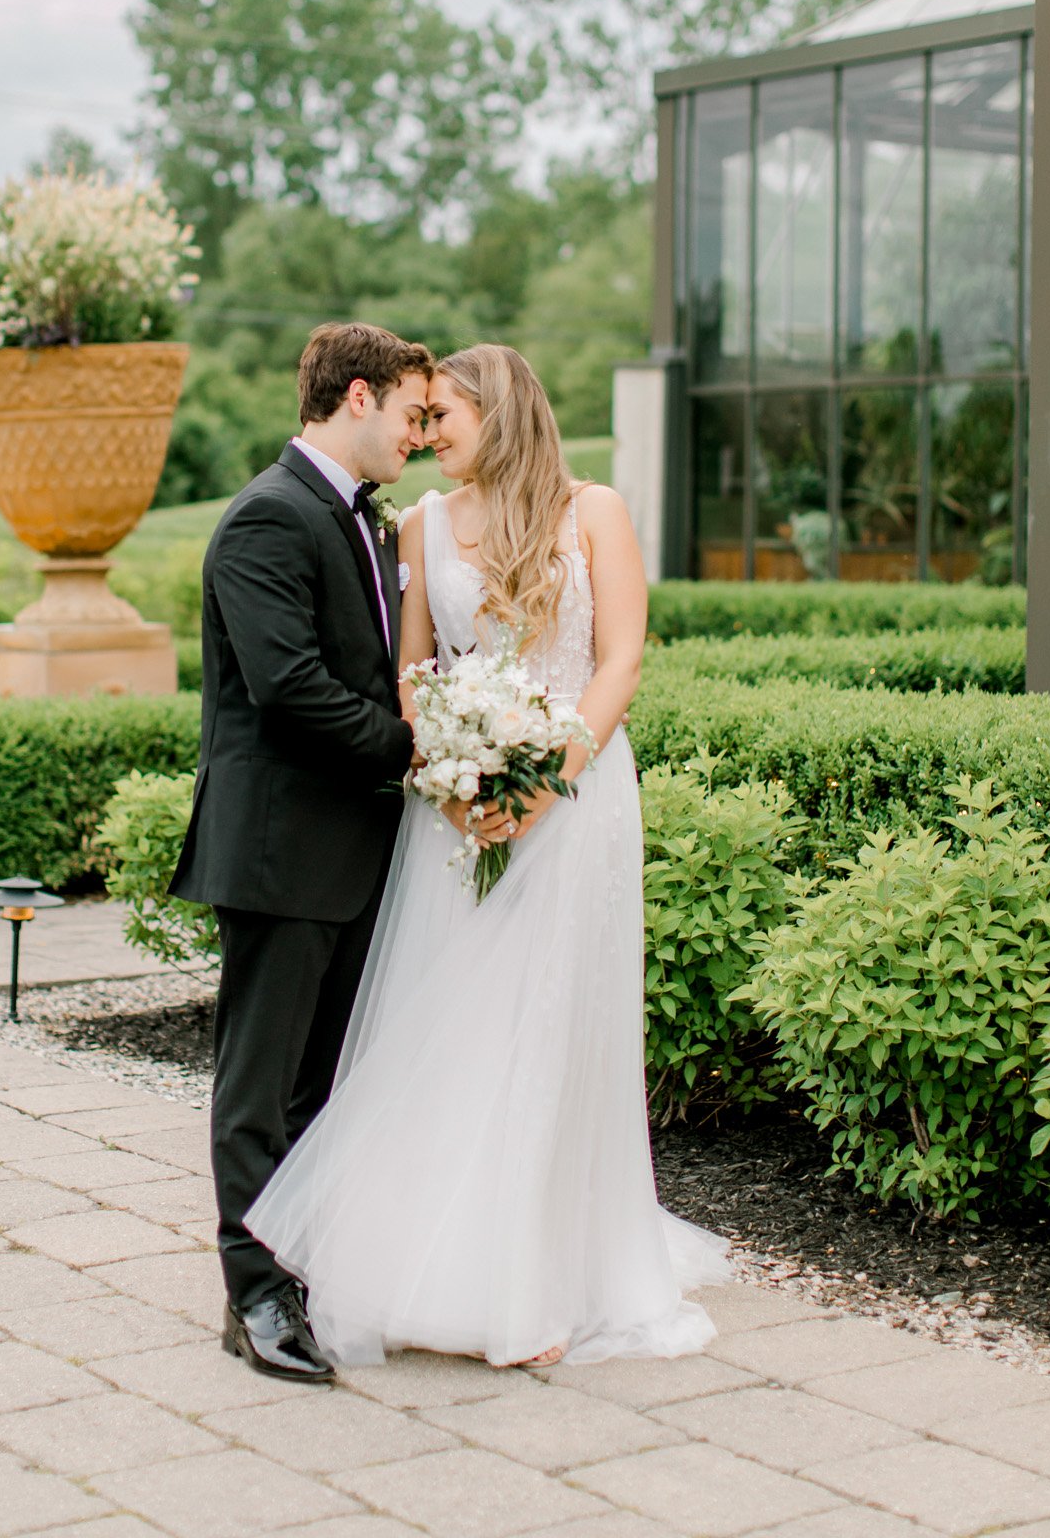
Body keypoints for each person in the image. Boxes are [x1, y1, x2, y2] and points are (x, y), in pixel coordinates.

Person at [248, 343, 728, 1368]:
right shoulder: (420, 520)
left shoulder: (593, 509)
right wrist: (456, 777)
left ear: (496, 409)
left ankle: (545, 1275)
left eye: (443, 413)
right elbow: (413, 667)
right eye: (417, 418)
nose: (425, 433)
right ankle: (438, 1264)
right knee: (455, 1019)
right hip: (457, 810)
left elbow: (622, 657)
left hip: (582, 793)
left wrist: (554, 774)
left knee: (552, 1026)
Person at [169, 321, 433, 1384]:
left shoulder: (367, 525)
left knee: (320, 1087)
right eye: (412, 413)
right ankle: (255, 1297)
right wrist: (418, 747)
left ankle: (305, 1271)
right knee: (260, 1087)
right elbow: (290, 691)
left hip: (356, 850)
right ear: (358, 398)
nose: (418, 433)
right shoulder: (265, 519)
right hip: (281, 849)